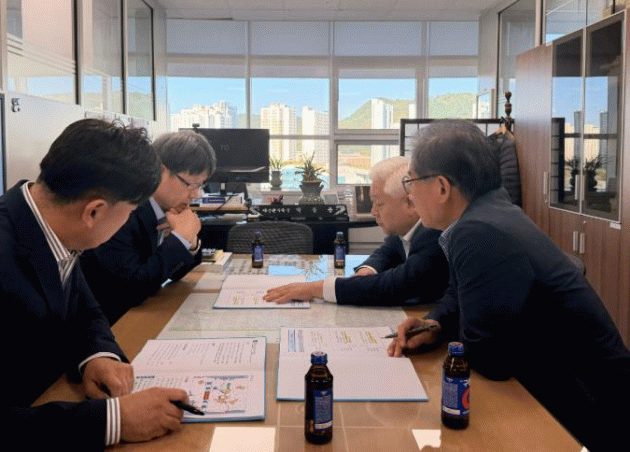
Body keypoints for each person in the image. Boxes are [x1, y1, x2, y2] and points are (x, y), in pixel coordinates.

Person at [0, 119, 191, 451]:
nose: (128, 220)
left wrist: (97, 354)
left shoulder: (45, 220)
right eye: (129, 212)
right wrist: (113, 421)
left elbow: (82, 307)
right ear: (93, 212)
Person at [387, 119, 630, 450]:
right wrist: (435, 324)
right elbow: (457, 295)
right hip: (568, 389)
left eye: (411, 181)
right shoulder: (488, 213)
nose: (410, 193)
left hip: (594, 410)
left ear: (442, 188)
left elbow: (489, 357)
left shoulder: (479, 232)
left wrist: (453, 333)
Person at [263, 157, 448, 306]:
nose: (373, 212)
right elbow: (387, 252)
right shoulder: (406, 230)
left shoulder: (435, 236)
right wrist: (366, 271)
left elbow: (393, 286)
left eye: (379, 203)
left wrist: (316, 289)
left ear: (411, 203)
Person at [81, 130, 216, 324]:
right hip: (112, 322)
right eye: (190, 184)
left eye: (200, 185)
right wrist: (180, 239)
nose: (195, 195)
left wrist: (191, 243)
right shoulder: (123, 209)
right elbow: (132, 289)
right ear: (160, 171)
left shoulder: (163, 208)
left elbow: (174, 272)